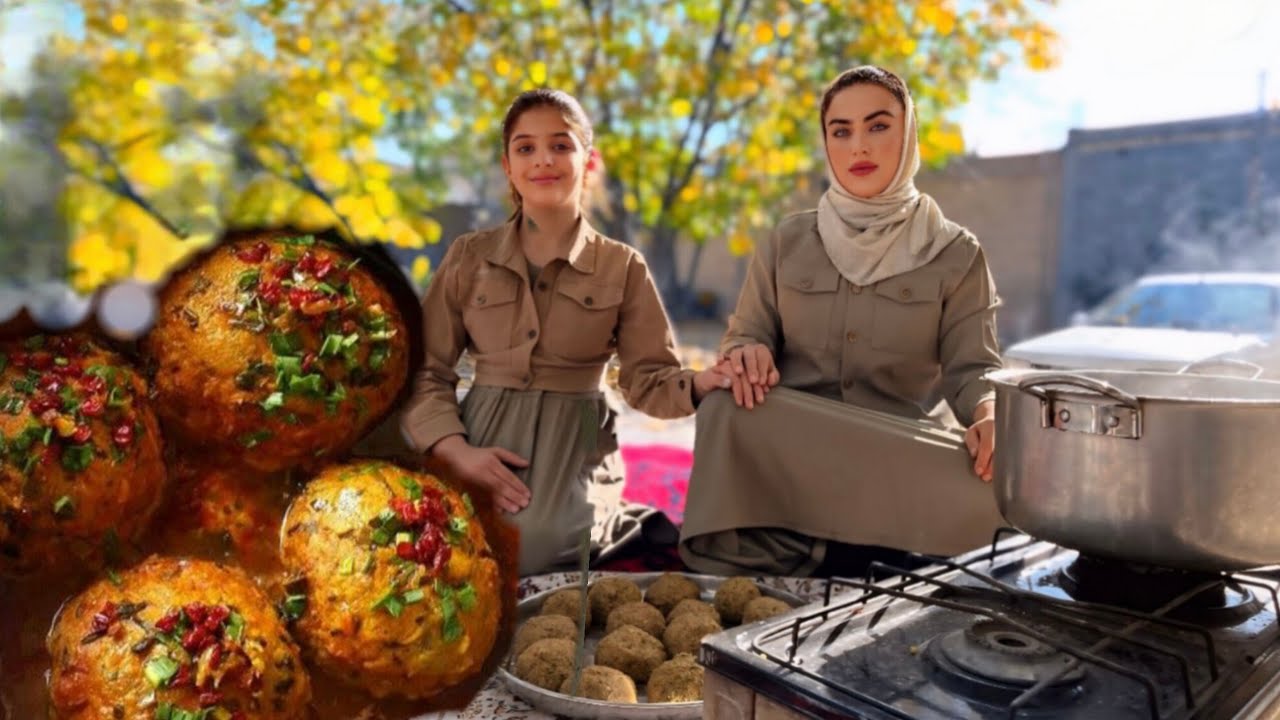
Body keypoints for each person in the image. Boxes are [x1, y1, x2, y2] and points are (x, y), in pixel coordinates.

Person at [679, 66, 1005, 578]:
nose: (859, 147)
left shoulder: (957, 253)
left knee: (1000, 482)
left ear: (908, 133)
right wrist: (748, 351)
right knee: (724, 408)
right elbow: (746, 333)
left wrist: (988, 413)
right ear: (826, 142)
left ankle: (813, 550)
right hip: (794, 437)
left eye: (878, 127)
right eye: (841, 131)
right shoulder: (788, 241)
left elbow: (973, 368)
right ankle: (874, 553)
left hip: (893, 445)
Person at [400, 89, 731, 576]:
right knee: (431, 550)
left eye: (561, 145)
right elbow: (423, 368)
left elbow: (649, 381)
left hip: (573, 442)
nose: (543, 161)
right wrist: (454, 452)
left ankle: (622, 525)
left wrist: (702, 384)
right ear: (508, 166)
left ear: (588, 160)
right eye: (525, 148)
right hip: (477, 437)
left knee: (531, 550)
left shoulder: (622, 266)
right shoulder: (469, 256)